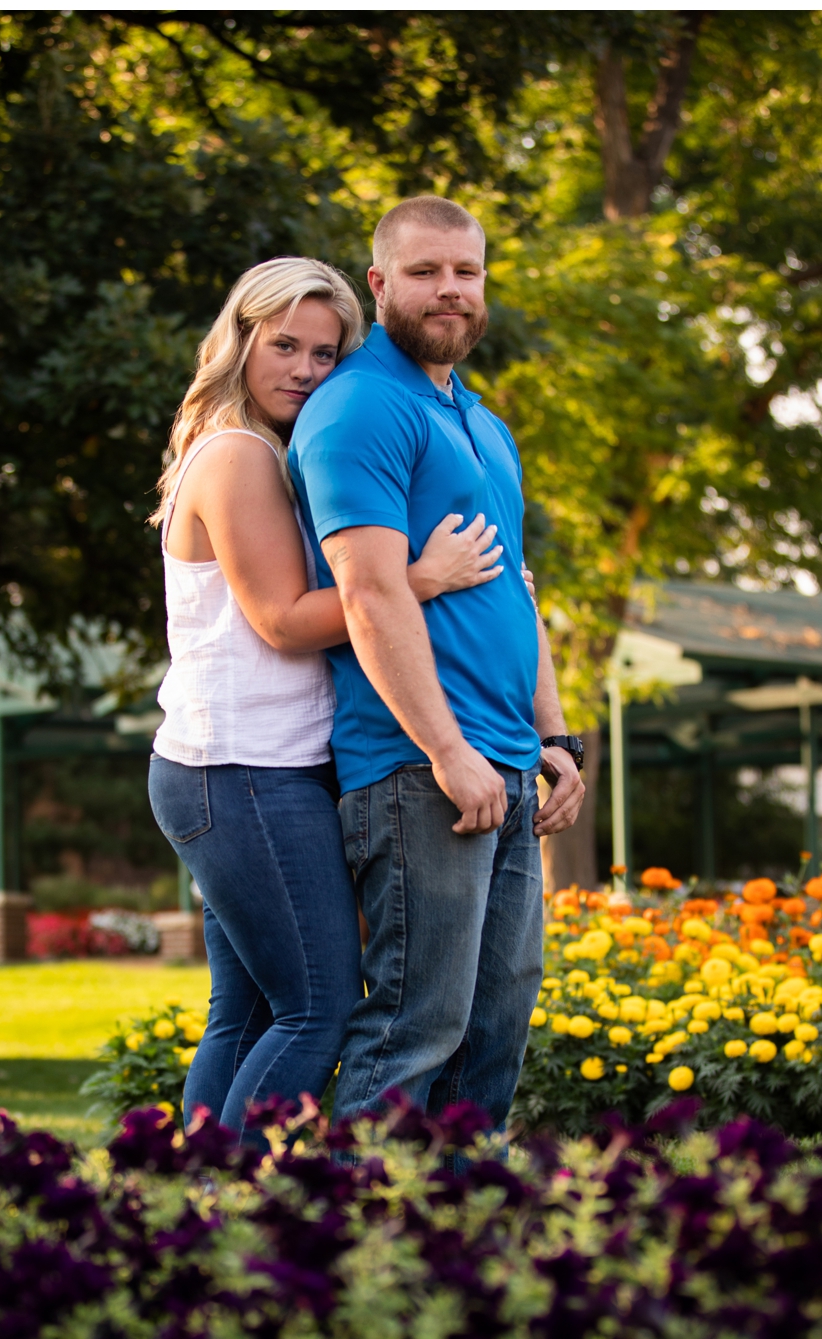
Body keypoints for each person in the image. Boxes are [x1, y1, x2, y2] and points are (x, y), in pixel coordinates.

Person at [148, 257, 507, 1131]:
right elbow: (279, 621)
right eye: (284, 346)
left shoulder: (264, 453)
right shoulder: (236, 456)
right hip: (239, 772)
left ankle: (184, 1208)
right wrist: (417, 579)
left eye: (324, 352)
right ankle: (237, 1202)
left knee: (250, 1014)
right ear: (239, 342)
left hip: (253, 770)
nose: (306, 370)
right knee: (318, 1004)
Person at [288, 196, 586, 1125]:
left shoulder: (484, 425)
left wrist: (555, 735)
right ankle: (347, 1236)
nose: (449, 290)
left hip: (503, 761)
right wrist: (449, 752)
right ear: (379, 285)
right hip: (418, 767)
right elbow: (372, 595)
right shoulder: (358, 408)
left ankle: (460, 1238)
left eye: (466, 271)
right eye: (424, 273)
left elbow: (516, 594)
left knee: (496, 1023)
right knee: (416, 1026)